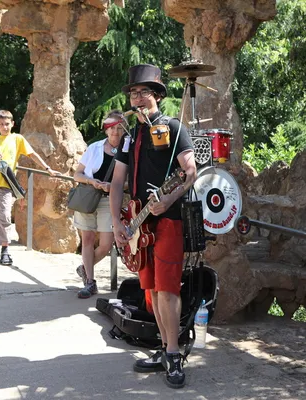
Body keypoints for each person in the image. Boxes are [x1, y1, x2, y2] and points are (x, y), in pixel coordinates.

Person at [110, 64, 197, 389]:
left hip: (169, 222)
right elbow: (118, 181)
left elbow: (190, 173)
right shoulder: (129, 137)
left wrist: (169, 199)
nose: (137, 97)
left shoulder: (174, 128)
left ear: (157, 95)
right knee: (150, 290)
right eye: (134, 92)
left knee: (168, 289)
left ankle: (174, 354)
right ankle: (163, 347)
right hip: (138, 224)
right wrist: (118, 221)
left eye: (144, 91)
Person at [0, 110, 59, 265]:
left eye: (7, 124)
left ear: (12, 124)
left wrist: (47, 168)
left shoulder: (17, 139)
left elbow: (32, 154)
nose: (4, 127)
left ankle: (5, 251)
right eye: (1, 124)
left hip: (6, 185)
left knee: (5, 217)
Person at [73, 110, 125, 299]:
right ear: (106, 130)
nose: (115, 132)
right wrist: (92, 182)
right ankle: (90, 282)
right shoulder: (94, 148)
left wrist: (115, 186)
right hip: (89, 198)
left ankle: (84, 269)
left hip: (109, 201)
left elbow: (131, 181)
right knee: (87, 240)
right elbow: (77, 174)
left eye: (119, 128)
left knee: (106, 244)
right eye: (112, 128)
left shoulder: (127, 152)